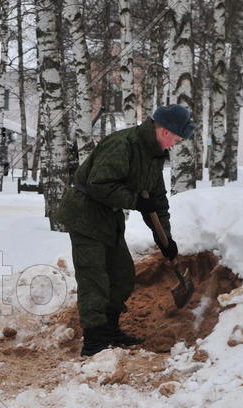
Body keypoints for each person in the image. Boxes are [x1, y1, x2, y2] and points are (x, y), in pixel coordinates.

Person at [57, 104, 195, 357]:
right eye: (176, 139)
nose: (175, 144)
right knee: (94, 277)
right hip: (86, 213)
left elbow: (157, 201)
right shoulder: (123, 145)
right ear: (165, 131)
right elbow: (98, 184)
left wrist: (165, 238)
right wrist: (135, 201)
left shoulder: (153, 156)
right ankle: (94, 339)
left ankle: (110, 329)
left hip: (109, 217)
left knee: (122, 275)